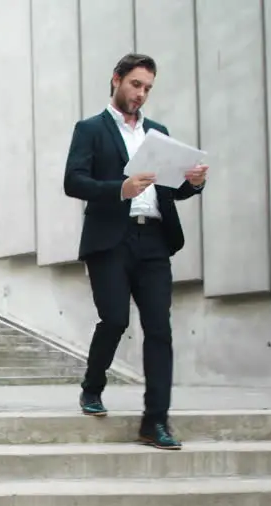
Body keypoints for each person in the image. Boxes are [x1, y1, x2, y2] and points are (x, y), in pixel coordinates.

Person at [63, 53, 209, 450]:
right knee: (113, 319)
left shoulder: (157, 133)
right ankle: (92, 387)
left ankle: (155, 421)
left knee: (159, 330)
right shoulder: (90, 129)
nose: (140, 94)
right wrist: (119, 189)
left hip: (154, 240)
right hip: (111, 239)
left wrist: (193, 182)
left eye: (147, 88)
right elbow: (73, 181)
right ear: (116, 80)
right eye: (135, 85)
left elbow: (170, 188)